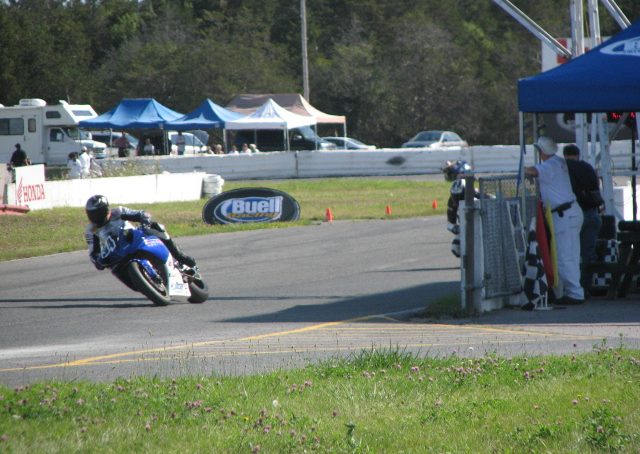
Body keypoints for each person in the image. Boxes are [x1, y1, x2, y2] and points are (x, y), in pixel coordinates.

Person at [525, 136, 585, 305]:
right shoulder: (558, 161)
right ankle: (573, 290)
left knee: (564, 256)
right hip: (570, 211)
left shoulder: (549, 166)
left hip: (563, 214)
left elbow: (533, 172)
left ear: (542, 151)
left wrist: (521, 169)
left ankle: (574, 293)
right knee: (571, 255)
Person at [84, 195, 196, 275]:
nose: (95, 217)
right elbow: (93, 252)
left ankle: (181, 258)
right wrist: (97, 261)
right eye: (92, 214)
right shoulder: (91, 230)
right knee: (113, 268)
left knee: (155, 227)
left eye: (97, 213)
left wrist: (145, 223)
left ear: (105, 210)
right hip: (117, 250)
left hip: (134, 238)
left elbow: (142, 214)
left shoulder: (118, 212)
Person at [442, 159, 476, 258]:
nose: (458, 199)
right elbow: (450, 222)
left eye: (461, 195)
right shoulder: (451, 201)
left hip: (482, 227)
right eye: (455, 196)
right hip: (465, 229)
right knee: (456, 248)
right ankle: (469, 264)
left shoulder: (478, 195)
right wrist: (457, 229)